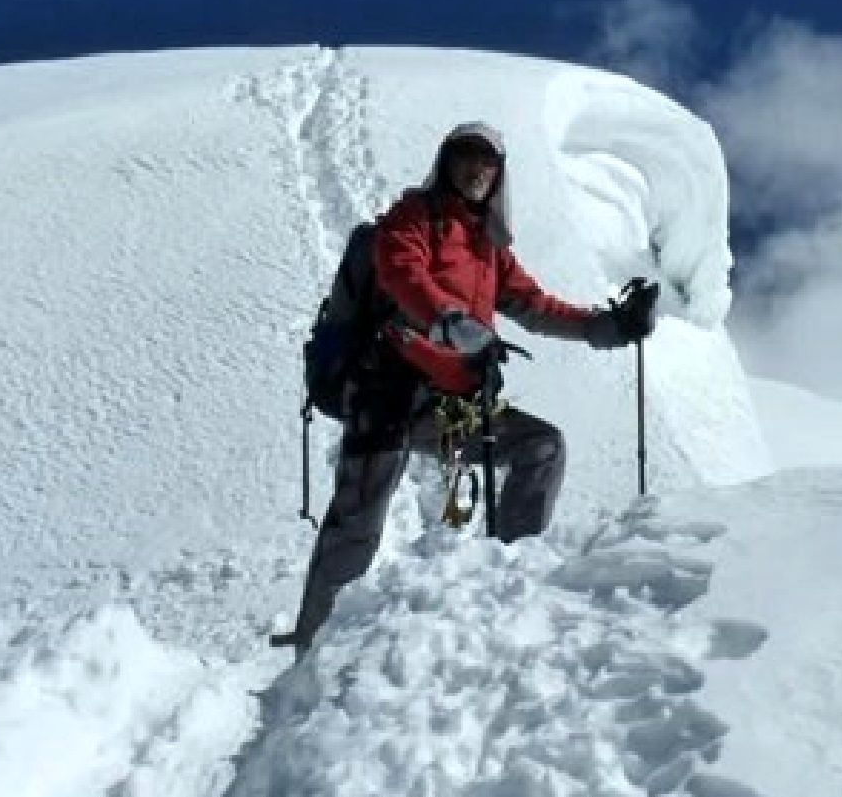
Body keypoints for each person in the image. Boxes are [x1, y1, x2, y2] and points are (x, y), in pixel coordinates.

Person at [276, 121, 654, 655]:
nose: (476, 170)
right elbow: (403, 273)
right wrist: (452, 324)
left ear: (499, 174)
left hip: (448, 400)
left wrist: (606, 327)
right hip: (383, 389)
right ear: (446, 163)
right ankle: (311, 651)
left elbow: (536, 305)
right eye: (465, 158)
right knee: (359, 523)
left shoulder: (489, 248)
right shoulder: (413, 218)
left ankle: (505, 589)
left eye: (487, 161)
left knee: (541, 448)